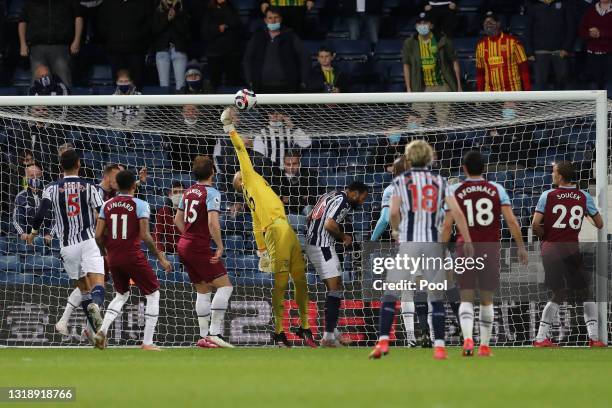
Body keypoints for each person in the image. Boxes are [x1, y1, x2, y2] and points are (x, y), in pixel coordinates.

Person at [368, 140, 473, 360]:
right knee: (437, 294)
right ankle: (441, 346)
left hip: (410, 242)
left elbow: (393, 213)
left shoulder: (400, 182)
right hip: (434, 243)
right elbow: (457, 213)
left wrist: (397, 230)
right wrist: (468, 239)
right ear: (429, 158)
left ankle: (383, 342)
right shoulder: (439, 181)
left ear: (409, 158)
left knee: (391, 292)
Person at [221, 107, 315, 348]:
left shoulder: (252, 195)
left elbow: (254, 226)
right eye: (239, 173)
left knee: (298, 279)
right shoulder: (249, 178)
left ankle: (303, 327)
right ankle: (279, 332)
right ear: (240, 181)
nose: (242, 170)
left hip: (281, 228)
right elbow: (241, 150)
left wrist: (261, 250)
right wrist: (230, 128)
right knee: (284, 281)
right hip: (278, 229)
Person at [441, 151, 528, 357]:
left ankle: (468, 340)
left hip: (465, 248)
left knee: (466, 298)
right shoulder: (497, 189)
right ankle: (485, 346)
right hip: (490, 247)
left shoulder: (455, 190)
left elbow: (447, 226)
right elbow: (512, 221)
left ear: (464, 169)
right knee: (487, 299)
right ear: (484, 169)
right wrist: (521, 246)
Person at [26, 149, 106, 342]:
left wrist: (33, 233)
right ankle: (96, 310)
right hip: (88, 241)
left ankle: (96, 335)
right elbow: (103, 214)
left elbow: (40, 214)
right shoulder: (90, 187)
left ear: (60, 166)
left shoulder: (51, 188)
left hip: (67, 248)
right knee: (97, 286)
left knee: (84, 290)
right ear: (79, 164)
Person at [94, 170, 172, 350]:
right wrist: (160, 257)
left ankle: (102, 331)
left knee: (121, 294)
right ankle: (148, 342)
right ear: (134, 186)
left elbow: (98, 235)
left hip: (113, 256)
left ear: (117, 186)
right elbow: (145, 235)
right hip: (132, 255)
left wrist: (104, 252)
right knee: (153, 294)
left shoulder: (106, 204)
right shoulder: (141, 205)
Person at [531, 162, 606, 348]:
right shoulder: (584, 196)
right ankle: (594, 338)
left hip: (550, 250)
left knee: (558, 292)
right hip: (571, 250)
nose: (552, 175)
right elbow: (600, 223)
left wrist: (546, 237)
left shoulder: (547, 195)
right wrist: (585, 215)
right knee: (585, 293)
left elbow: (535, 225)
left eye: (554, 172)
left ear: (561, 177)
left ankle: (541, 338)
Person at [175, 156, 234, 348]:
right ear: (212, 173)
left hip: (184, 244)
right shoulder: (212, 192)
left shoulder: (188, 192)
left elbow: (177, 220)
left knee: (203, 289)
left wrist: (189, 237)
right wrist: (220, 245)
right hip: (198, 246)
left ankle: (203, 337)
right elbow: (212, 222)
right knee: (225, 287)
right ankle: (214, 333)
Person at [305, 181, 368, 347]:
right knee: (336, 289)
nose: (362, 202)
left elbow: (309, 216)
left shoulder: (331, 194)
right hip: (323, 246)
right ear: (355, 193)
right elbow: (329, 224)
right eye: (362, 198)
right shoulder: (344, 201)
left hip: (314, 244)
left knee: (334, 289)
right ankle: (328, 337)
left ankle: (333, 332)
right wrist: (343, 237)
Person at [370, 156, 418, 347]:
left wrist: (372, 241)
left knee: (403, 292)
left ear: (393, 172)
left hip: (407, 245)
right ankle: (433, 337)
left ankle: (411, 337)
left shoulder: (391, 189)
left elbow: (384, 219)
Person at [402, 12, 461, 125]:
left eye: (425, 23)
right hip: (421, 87)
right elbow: (406, 65)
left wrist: (458, 86)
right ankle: (417, 143)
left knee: (445, 123)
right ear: (415, 26)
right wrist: (409, 89)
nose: (422, 25)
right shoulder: (410, 43)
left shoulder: (442, 40)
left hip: (442, 86)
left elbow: (454, 61)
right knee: (414, 123)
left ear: (431, 25)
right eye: (419, 23)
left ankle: (445, 142)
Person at [243, 6, 309, 93]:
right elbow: (247, 59)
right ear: (265, 20)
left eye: (276, 17)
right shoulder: (257, 37)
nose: (273, 21)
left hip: (287, 87)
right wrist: (250, 80)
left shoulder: (291, 36)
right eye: (270, 18)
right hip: (261, 88)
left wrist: (303, 81)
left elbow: (304, 58)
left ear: (281, 19)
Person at [18, 0, 83, 87]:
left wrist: (77, 40)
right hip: (37, 49)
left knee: (64, 84)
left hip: (61, 48)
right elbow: (22, 21)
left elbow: (78, 17)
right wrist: (23, 43)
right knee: (38, 86)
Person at [98, 0, 152, 90]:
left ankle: (137, 104)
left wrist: (137, 37)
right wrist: (110, 37)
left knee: (137, 82)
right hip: (114, 49)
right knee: (118, 83)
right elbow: (101, 24)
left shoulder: (142, 4)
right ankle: (118, 104)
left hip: (136, 50)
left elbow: (148, 24)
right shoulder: (107, 4)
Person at [525, 0, 575, 90]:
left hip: (560, 50)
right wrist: (529, 52)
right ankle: (541, 103)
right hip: (540, 51)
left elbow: (571, 28)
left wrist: (566, 48)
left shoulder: (564, 5)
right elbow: (528, 31)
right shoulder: (533, 6)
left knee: (562, 80)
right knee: (540, 82)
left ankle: (561, 103)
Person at [476, 11, 531, 92]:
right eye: (485, 22)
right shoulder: (480, 46)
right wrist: (479, 94)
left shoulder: (513, 42)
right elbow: (480, 73)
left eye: (491, 21)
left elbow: (524, 68)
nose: (488, 24)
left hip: (512, 92)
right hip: (490, 95)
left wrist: (527, 91)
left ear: (498, 24)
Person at [201, 0, 243, 90]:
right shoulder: (208, 10)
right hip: (214, 53)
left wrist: (224, 5)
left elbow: (235, 23)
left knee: (232, 82)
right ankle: (216, 104)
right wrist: (218, 28)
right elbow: (205, 32)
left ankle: (231, 104)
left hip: (232, 52)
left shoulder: (231, 8)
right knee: (215, 84)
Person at [152, 0, 191, 90]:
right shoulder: (157, 9)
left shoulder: (182, 9)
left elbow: (185, 31)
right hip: (162, 50)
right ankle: (165, 104)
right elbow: (154, 30)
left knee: (181, 85)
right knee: (164, 85)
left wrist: (175, 16)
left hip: (179, 49)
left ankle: (181, 104)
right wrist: (167, 19)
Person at [12, 164, 53, 244]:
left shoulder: (50, 194)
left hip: (49, 238)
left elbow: (57, 217)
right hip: (28, 238)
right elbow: (16, 219)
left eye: (38, 175)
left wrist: (50, 233)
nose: (35, 178)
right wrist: (22, 233)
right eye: (32, 176)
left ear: (42, 176)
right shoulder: (20, 196)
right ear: (26, 178)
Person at [271, 150, 318, 216]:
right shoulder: (277, 177)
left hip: (305, 211)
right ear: (284, 165)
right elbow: (278, 199)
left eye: (294, 164)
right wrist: (302, 198)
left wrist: (288, 200)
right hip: (286, 213)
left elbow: (312, 199)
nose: (291, 167)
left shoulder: (309, 174)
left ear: (299, 164)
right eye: (288, 164)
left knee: (308, 209)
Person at [579, 0, 612, 90]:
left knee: (609, 84)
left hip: (609, 53)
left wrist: (601, 33)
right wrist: (590, 34)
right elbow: (582, 30)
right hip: (592, 53)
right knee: (595, 83)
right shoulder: (590, 10)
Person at [154, 181, 184, 254]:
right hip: (170, 252)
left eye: (181, 192)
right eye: (175, 192)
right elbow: (156, 235)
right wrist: (160, 252)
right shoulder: (163, 211)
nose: (178, 195)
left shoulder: (190, 211)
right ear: (170, 195)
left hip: (187, 251)